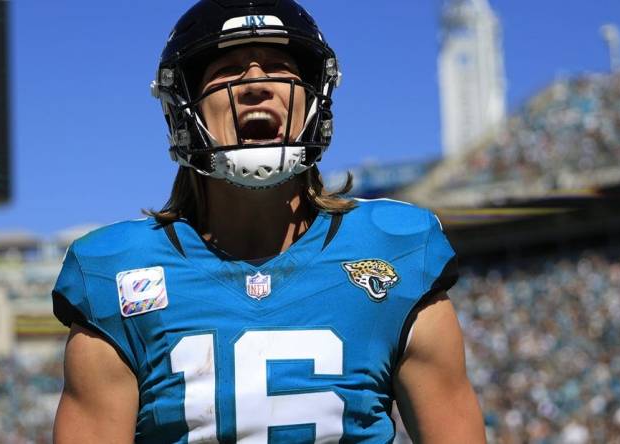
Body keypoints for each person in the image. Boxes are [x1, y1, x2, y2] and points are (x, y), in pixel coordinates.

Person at [52, 0, 485, 442]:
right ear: (183, 108)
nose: (257, 83)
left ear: (316, 100)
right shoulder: (115, 272)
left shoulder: (397, 251)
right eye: (228, 70)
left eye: (280, 67)